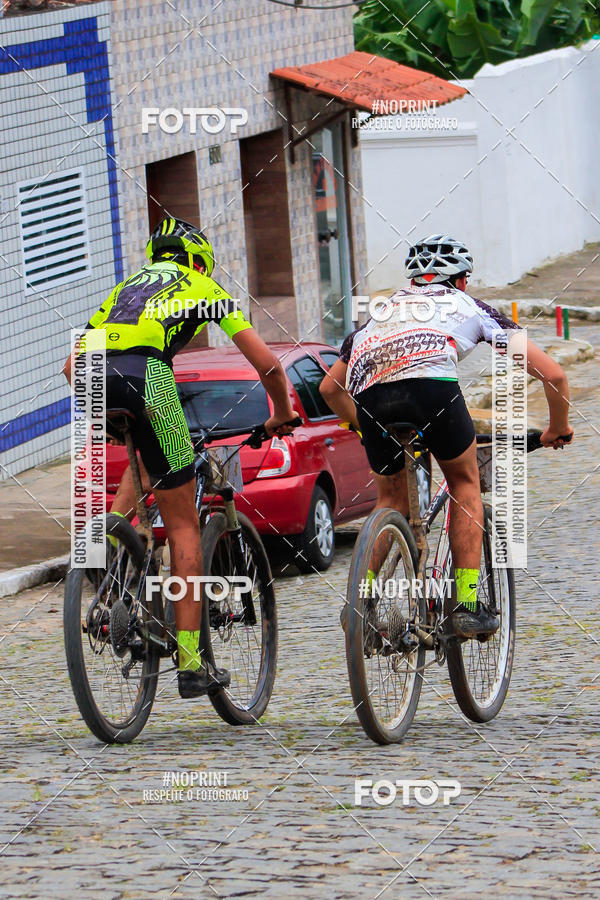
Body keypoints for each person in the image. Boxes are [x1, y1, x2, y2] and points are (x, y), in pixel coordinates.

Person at [63, 217, 298, 696]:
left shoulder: (126, 289)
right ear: (198, 260)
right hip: (146, 374)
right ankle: (191, 660)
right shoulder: (204, 286)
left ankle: (118, 547)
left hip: (90, 374)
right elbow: (269, 363)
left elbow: (70, 364)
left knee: (144, 460)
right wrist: (282, 412)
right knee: (185, 523)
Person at [319, 234, 573, 637]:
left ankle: (358, 609)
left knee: (391, 501)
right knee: (464, 483)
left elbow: (329, 390)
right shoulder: (467, 304)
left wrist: (367, 430)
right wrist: (558, 427)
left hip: (371, 396)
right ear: (459, 279)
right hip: (431, 388)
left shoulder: (378, 316)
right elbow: (554, 375)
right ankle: (467, 604)